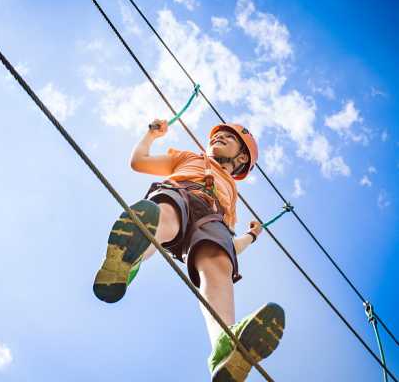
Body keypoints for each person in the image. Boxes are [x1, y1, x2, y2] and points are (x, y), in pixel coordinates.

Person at [93, 119, 285, 381]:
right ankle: (126, 263)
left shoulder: (231, 191)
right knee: (165, 216)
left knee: (220, 259)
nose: (219, 139)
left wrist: (252, 235)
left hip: (213, 217)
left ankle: (225, 346)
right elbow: (139, 161)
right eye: (217, 136)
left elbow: (232, 245)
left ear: (241, 157)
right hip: (181, 193)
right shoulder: (188, 157)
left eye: (229, 139)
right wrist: (151, 135)